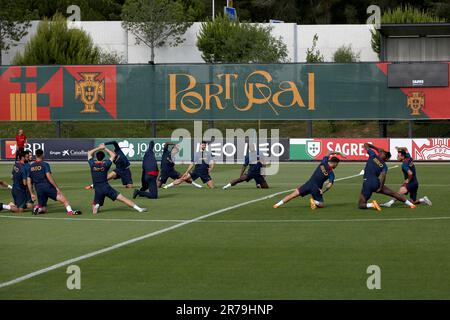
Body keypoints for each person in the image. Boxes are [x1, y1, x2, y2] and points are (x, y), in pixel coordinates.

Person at [273, 150, 346, 209]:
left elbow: (329, 152)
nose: (337, 166)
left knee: (292, 195)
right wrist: (323, 191)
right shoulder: (331, 173)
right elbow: (329, 185)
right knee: (322, 205)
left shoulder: (324, 162)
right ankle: (314, 202)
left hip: (308, 184)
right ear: (335, 163)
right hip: (316, 188)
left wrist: (339, 153)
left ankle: (277, 204)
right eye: (337, 164)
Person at [88, 144, 147, 214]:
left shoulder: (92, 164)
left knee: (94, 210)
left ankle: (97, 205)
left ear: (96, 157)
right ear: (103, 158)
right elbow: (113, 155)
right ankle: (139, 209)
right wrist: (105, 148)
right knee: (123, 199)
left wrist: (98, 148)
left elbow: (89, 153)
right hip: (106, 188)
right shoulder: (106, 164)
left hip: (97, 188)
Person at [358, 143, 416, 211]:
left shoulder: (372, 155)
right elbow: (383, 175)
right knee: (393, 193)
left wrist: (376, 148)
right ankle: (411, 204)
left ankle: (372, 205)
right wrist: (380, 187)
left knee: (361, 204)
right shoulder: (384, 166)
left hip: (367, 182)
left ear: (382, 154)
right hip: (376, 183)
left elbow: (366, 144)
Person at [27, 149, 81, 215]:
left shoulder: (31, 166)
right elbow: (49, 177)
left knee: (44, 209)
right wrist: (56, 188)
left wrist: (31, 193)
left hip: (38, 189)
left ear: (36, 155)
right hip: (47, 187)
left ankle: (37, 208)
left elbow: (29, 181)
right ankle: (70, 212)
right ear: (42, 155)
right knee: (64, 200)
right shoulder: (45, 164)